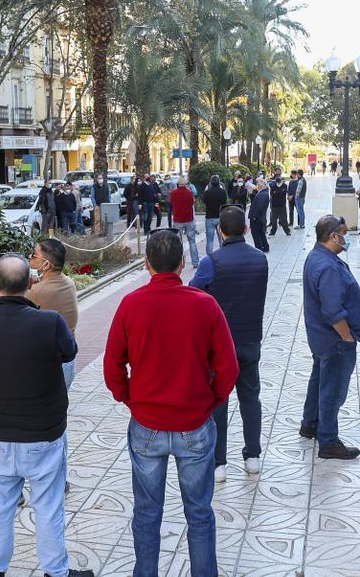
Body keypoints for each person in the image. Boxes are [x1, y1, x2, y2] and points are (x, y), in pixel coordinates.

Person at [105, 231, 238, 577]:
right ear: (182, 263)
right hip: (194, 424)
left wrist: (129, 398)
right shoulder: (204, 305)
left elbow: (112, 367)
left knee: (147, 512)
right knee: (199, 512)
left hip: (147, 424)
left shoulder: (131, 305)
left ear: (146, 263)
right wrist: (209, 402)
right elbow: (228, 368)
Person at [0, 255, 91, 577]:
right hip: (43, 435)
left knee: (1, 506)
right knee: (48, 508)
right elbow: (70, 352)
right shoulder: (49, 322)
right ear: (31, 283)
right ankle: (56, 571)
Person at [190, 207, 268, 481]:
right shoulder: (261, 259)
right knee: (250, 398)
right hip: (250, 340)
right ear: (246, 229)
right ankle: (253, 456)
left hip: (220, 345)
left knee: (218, 402)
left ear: (219, 231)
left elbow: (193, 292)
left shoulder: (212, 262)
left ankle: (218, 463)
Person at [300, 215, 360, 459]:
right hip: (334, 339)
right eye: (344, 233)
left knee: (319, 378)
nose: (346, 238)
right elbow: (332, 310)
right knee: (332, 389)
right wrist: (347, 337)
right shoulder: (327, 265)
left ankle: (310, 423)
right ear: (332, 236)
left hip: (321, 338)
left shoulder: (318, 256)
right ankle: (328, 441)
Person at [28, 238, 79, 386]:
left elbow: (14, 308)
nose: (30, 257)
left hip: (49, 365)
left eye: (34, 255)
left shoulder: (37, 291)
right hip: (68, 358)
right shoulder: (68, 282)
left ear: (46, 264)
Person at [170, 177, 200, 268]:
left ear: (178, 184)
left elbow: (172, 203)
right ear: (186, 184)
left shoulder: (173, 193)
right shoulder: (190, 193)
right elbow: (192, 203)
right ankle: (195, 262)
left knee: (178, 242)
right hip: (189, 220)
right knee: (192, 241)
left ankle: (178, 263)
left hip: (178, 220)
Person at [201, 175, 228, 255]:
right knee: (222, 238)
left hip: (210, 217)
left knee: (210, 240)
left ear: (211, 183)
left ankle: (209, 256)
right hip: (220, 216)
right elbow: (225, 201)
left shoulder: (207, 192)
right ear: (219, 182)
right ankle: (223, 254)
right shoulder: (223, 192)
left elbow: (205, 202)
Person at [248, 178, 270, 253]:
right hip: (259, 217)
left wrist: (254, 217)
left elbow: (259, 206)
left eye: (259, 183)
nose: (257, 185)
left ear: (263, 185)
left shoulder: (263, 194)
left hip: (257, 218)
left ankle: (259, 249)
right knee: (260, 232)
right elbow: (255, 202)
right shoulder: (261, 193)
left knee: (256, 234)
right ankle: (265, 247)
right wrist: (251, 194)